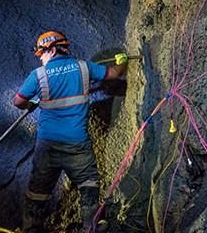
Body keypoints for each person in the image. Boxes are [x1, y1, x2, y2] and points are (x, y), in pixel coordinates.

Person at [14, 31, 128, 233]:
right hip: (77, 142)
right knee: (89, 181)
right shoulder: (84, 67)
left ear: (52, 49)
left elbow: (18, 102)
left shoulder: (38, 75)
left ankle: (31, 229)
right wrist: (124, 61)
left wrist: (31, 102)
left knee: (38, 188)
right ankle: (90, 227)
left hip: (47, 143)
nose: (40, 57)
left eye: (42, 53)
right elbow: (116, 74)